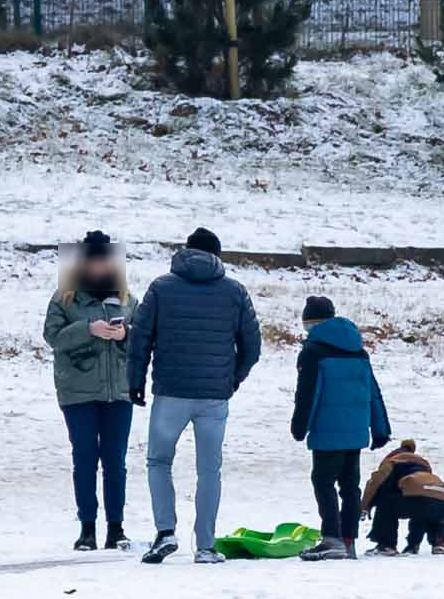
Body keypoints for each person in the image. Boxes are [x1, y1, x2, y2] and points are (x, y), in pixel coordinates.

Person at [126, 226, 259, 566]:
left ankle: (165, 532)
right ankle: (206, 546)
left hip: (171, 392)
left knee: (159, 461)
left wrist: (135, 381)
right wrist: (232, 380)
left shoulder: (161, 287)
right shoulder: (234, 291)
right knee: (209, 470)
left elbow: (140, 338)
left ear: (186, 251)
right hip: (214, 395)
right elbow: (252, 346)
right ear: (217, 255)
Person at [42, 230, 134, 551]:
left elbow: (143, 338)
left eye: (103, 260)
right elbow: (53, 337)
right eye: (92, 261)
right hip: (78, 393)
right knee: (84, 459)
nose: (98, 267)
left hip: (118, 393)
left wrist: (125, 334)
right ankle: (87, 529)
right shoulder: (64, 298)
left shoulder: (127, 299)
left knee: (115, 462)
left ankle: (116, 528)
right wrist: (88, 329)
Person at [286, 295, 391, 561]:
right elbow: (373, 392)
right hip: (356, 432)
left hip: (327, 430)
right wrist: (380, 428)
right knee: (349, 486)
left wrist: (299, 426)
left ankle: (331, 537)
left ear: (311, 323)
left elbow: (308, 393)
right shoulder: (358, 351)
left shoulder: (313, 352)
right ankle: (348, 540)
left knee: (323, 482)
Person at [367, 441, 444, 555]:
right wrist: (412, 544)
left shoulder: (392, 462)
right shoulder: (423, 466)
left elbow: (375, 483)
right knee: (429, 507)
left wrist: (365, 506)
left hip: (421, 498)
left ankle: (386, 545)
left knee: (387, 504)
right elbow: (422, 514)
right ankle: (440, 542)